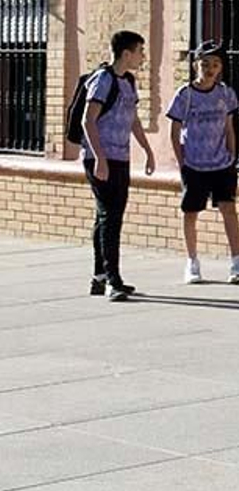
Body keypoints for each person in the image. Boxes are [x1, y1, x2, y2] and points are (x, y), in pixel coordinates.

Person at [165, 41, 239, 285]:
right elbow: (174, 131)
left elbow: (229, 128)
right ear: (196, 64)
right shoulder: (185, 95)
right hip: (195, 164)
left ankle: (238, 261)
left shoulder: (226, 93)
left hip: (222, 164)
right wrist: (182, 162)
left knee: (229, 208)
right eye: (205, 63)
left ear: (220, 68)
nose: (210, 69)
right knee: (191, 212)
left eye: (215, 64)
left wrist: (232, 156)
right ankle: (192, 263)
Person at [82, 30, 156, 301]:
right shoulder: (103, 79)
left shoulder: (129, 81)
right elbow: (88, 120)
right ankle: (113, 280)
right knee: (110, 217)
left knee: (106, 217)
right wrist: (100, 158)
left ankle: (99, 278)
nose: (143, 57)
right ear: (127, 53)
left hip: (121, 158)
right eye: (140, 51)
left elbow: (133, 120)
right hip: (100, 158)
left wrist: (147, 150)